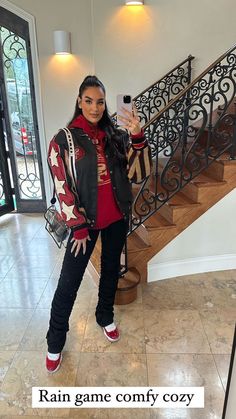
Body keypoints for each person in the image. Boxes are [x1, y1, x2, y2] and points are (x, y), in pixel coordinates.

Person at [46, 75, 150, 373]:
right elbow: (60, 184)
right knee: (69, 282)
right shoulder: (63, 139)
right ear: (79, 101)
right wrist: (76, 224)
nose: (95, 107)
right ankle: (55, 341)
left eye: (100, 102)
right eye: (89, 100)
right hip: (84, 224)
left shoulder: (115, 135)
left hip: (116, 217)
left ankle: (104, 316)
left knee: (110, 270)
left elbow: (138, 174)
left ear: (106, 104)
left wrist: (138, 136)